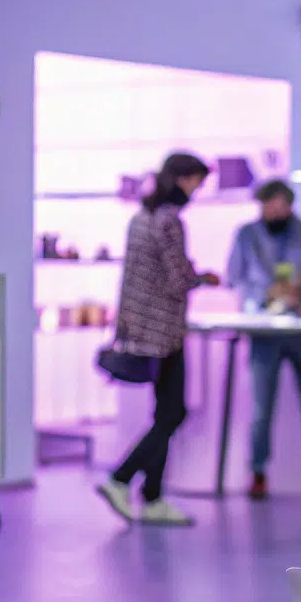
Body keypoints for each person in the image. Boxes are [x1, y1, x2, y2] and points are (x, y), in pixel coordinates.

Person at [98, 153, 220, 526]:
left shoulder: (141, 218)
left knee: (165, 413)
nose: (198, 190)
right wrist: (204, 278)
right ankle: (122, 478)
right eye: (197, 182)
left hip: (142, 330)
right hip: (164, 334)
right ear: (184, 179)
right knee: (173, 413)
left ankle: (152, 497)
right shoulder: (169, 222)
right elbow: (177, 279)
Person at [226, 179, 301, 501]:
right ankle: (258, 472)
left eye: (276, 205)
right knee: (261, 408)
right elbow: (234, 278)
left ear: (289, 205)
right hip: (265, 332)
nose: (270, 212)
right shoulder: (247, 235)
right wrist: (261, 297)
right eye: (265, 205)